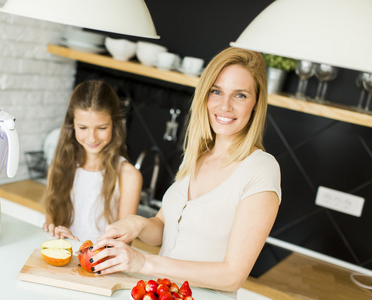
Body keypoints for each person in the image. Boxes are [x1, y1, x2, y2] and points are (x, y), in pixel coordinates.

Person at [89, 47, 281, 299]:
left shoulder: (261, 168)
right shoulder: (197, 155)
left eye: (240, 95)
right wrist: (137, 223)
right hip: (158, 292)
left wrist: (143, 263)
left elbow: (232, 275)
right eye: (216, 91)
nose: (224, 105)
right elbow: (163, 228)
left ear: (256, 103)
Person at [42, 80, 143, 243]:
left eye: (102, 128)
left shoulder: (129, 176)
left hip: (100, 266)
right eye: (83, 128)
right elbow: (50, 225)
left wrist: (79, 247)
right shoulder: (59, 166)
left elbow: (123, 245)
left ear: (115, 125)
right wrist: (58, 234)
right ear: (72, 125)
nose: (92, 137)